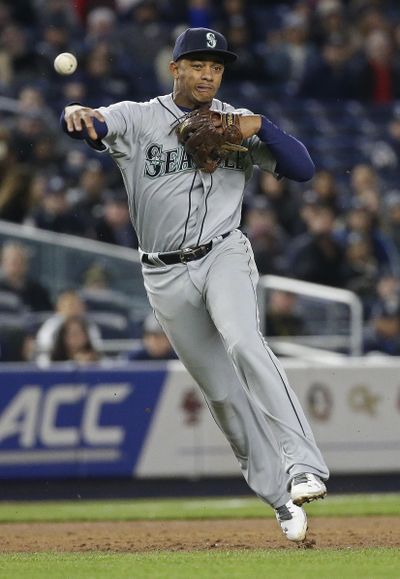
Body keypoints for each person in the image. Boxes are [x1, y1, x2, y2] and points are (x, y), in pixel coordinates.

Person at [62, 26, 328, 543]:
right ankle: (280, 500)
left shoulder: (232, 123)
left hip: (224, 252)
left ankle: (304, 466)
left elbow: (302, 169)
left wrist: (260, 125)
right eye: (198, 64)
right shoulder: (138, 117)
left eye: (217, 66)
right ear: (176, 69)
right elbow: (91, 127)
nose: (208, 73)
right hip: (162, 272)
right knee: (222, 393)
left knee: (244, 342)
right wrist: (75, 116)